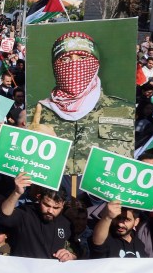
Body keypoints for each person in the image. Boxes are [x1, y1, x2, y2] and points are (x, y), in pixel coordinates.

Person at [35, 31, 135, 174]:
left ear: (95, 64)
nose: (74, 64)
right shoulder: (36, 113)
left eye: (82, 57)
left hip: (98, 195)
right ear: (55, 67)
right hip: (52, 194)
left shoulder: (124, 111)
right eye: (65, 60)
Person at [0, 172, 76, 261]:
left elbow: (76, 249)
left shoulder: (65, 222)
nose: (50, 211)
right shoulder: (25, 214)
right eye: (46, 205)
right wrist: (16, 193)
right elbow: (3, 217)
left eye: (56, 207)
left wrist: (70, 255)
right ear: (39, 198)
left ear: (63, 205)